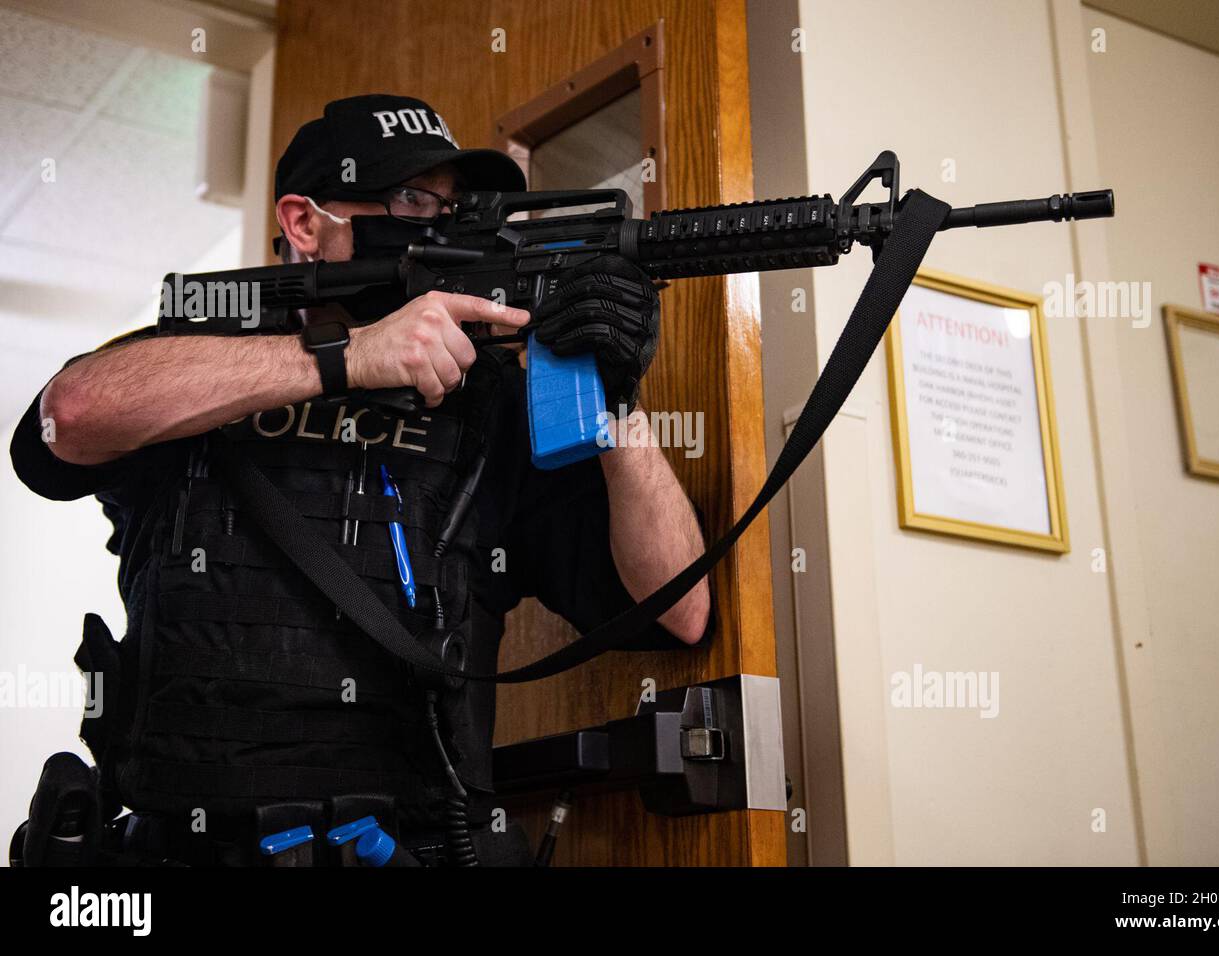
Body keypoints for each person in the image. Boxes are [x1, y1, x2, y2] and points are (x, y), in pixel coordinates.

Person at [9, 94, 710, 866]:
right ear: (305, 224)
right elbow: (65, 418)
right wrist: (345, 358)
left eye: (454, 206)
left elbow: (677, 610)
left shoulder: (491, 408)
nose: (436, 224)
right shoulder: (199, 360)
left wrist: (617, 405)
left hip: (409, 847)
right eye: (411, 199)